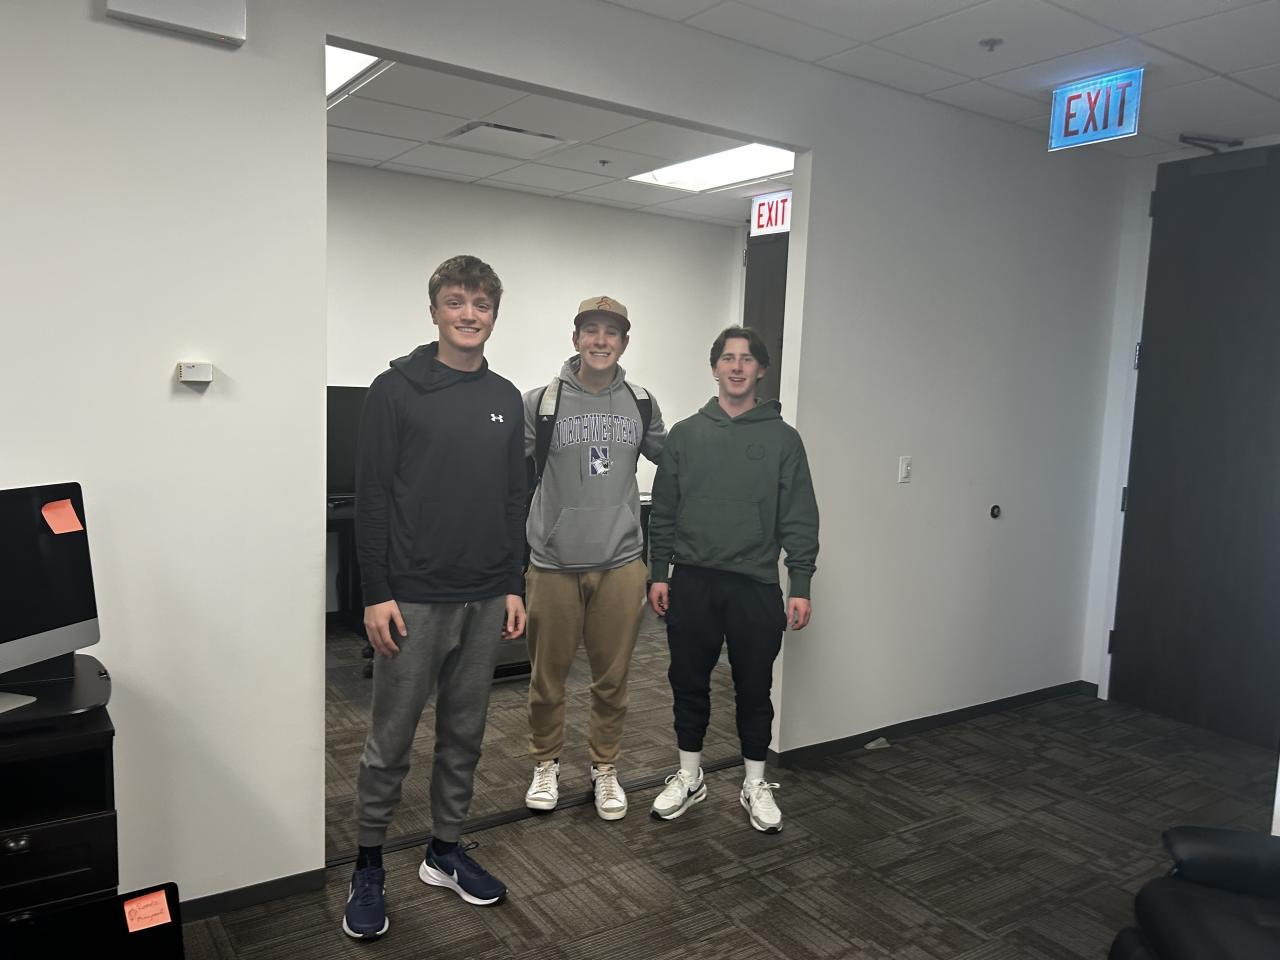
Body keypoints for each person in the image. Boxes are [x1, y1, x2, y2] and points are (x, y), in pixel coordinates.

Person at [343, 255, 526, 940]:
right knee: (390, 741)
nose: (468, 315)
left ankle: (445, 851)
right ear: (434, 311)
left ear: (493, 315)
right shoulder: (394, 390)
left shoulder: (505, 397)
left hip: (485, 595)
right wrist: (376, 592)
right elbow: (372, 498)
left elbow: (513, 500)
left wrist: (513, 582)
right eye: (456, 301)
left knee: (464, 736)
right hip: (413, 599)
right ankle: (367, 866)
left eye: (481, 304)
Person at [646, 325, 819, 834]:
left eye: (747, 358)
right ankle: (689, 776)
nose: (737, 366)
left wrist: (801, 583)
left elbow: (799, 516)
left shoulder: (783, 439)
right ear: (715, 368)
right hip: (693, 581)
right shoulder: (685, 434)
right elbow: (664, 511)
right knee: (688, 683)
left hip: (755, 584)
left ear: (761, 369)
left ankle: (755, 783)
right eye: (727, 358)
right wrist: (659, 573)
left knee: (754, 688)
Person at [522, 295, 666, 820]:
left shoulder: (642, 403)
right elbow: (503, 475)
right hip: (553, 564)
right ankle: (546, 762)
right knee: (547, 679)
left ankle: (605, 767)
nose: (600, 340)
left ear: (624, 342)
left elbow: (676, 463)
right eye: (591, 330)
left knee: (612, 678)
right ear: (575, 338)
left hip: (620, 563)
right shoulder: (541, 403)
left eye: (611, 332)